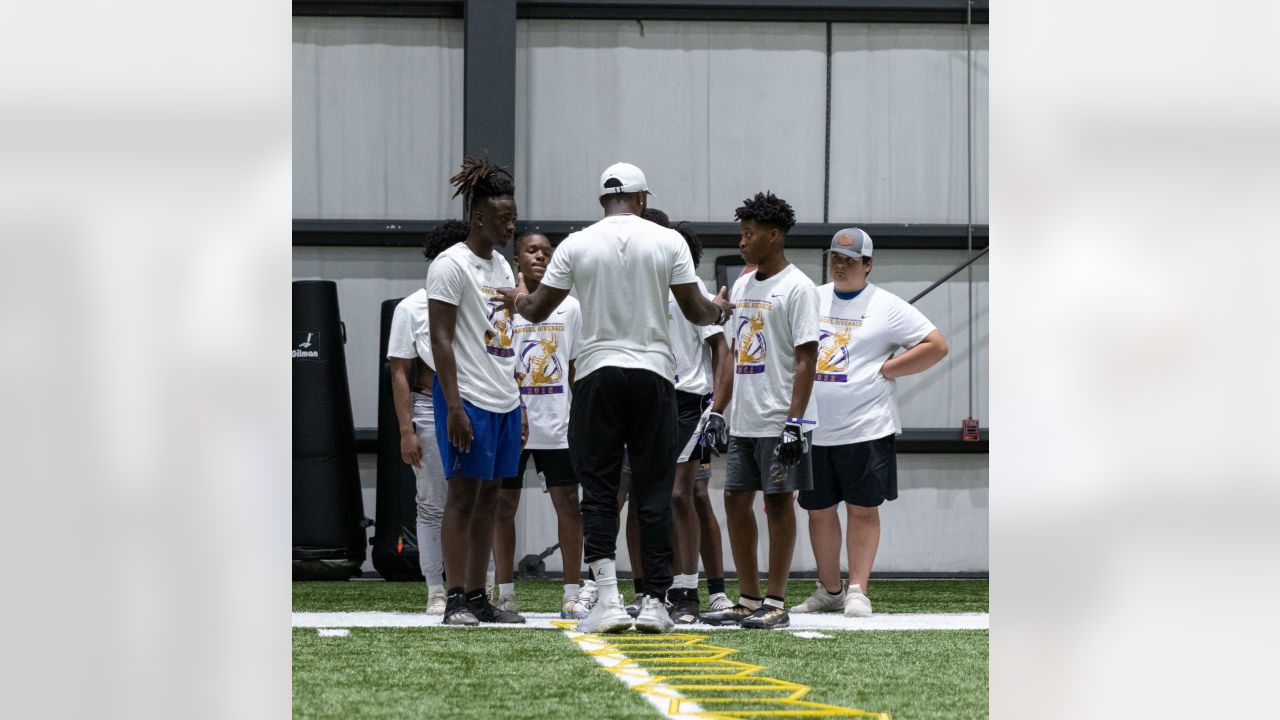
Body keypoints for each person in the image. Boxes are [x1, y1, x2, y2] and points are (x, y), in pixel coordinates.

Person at [501, 162, 732, 634]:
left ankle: (606, 600)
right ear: (643, 198)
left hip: (595, 375)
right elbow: (696, 310)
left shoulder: (576, 244)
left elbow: (537, 309)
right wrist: (721, 310)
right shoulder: (668, 242)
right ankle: (653, 602)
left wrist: (517, 299)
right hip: (652, 374)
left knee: (601, 492)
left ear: (602, 200)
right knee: (654, 490)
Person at [791, 228, 948, 617]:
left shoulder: (887, 306)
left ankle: (858, 589)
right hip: (814, 427)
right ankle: (829, 590)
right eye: (835, 258)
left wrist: (889, 369)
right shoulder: (812, 297)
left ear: (868, 264)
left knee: (862, 508)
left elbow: (936, 345)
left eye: (849, 259)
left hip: (866, 427)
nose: (840, 265)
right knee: (819, 509)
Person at [700, 191, 819, 630]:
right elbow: (731, 353)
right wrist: (717, 409)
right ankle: (748, 598)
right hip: (744, 419)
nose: (743, 241)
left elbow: (808, 359)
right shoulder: (745, 283)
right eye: (741, 234)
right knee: (734, 499)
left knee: (778, 503)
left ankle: (776, 600)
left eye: (749, 234)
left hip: (781, 420)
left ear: (774, 235)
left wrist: (795, 423)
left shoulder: (799, 288)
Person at [427, 155, 526, 626]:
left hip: (504, 397)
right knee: (462, 498)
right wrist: (453, 406)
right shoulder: (451, 266)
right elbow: (441, 340)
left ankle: (478, 596)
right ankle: (454, 600)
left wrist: (519, 400)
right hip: (467, 399)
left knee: (492, 499)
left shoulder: (504, 268)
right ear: (479, 217)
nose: (511, 225)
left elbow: (506, 336)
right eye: (503, 218)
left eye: (514, 217)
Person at [492, 231, 591, 619]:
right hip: (511, 420)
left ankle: (570, 593)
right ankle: (506, 594)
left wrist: (580, 417)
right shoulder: (504, 305)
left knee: (568, 505)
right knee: (503, 506)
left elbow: (574, 368)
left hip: (558, 423)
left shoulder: (571, 308)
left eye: (547, 253)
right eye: (532, 251)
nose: (540, 257)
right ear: (517, 258)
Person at [386, 220, 470, 615]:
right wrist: (406, 431)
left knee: (480, 497)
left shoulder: (479, 302)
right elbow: (400, 370)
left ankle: (475, 585)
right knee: (433, 501)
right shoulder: (412, 307)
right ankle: (436, 587)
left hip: (478, 401)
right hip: (428, 404)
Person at [664, 221, 732, 624]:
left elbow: (723, 351)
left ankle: (707, 590)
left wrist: (718, 406)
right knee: (654, 500)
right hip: (648, 401)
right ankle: (662, 587)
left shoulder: (698, 297)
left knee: (688, 495)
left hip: (691, 405)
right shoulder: (641, 294)